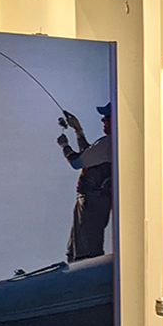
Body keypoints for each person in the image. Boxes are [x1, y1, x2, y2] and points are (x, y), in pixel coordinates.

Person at [57, 103, 113, 261]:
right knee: (77, 248)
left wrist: (64, 146)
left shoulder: (108, 143)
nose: (103, 121)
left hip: (93, 201)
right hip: (95, 200)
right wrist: (78, 129)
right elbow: (89, 155)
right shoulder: (110, 144)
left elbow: (77, 162)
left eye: (106, 118)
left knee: (85, 252)